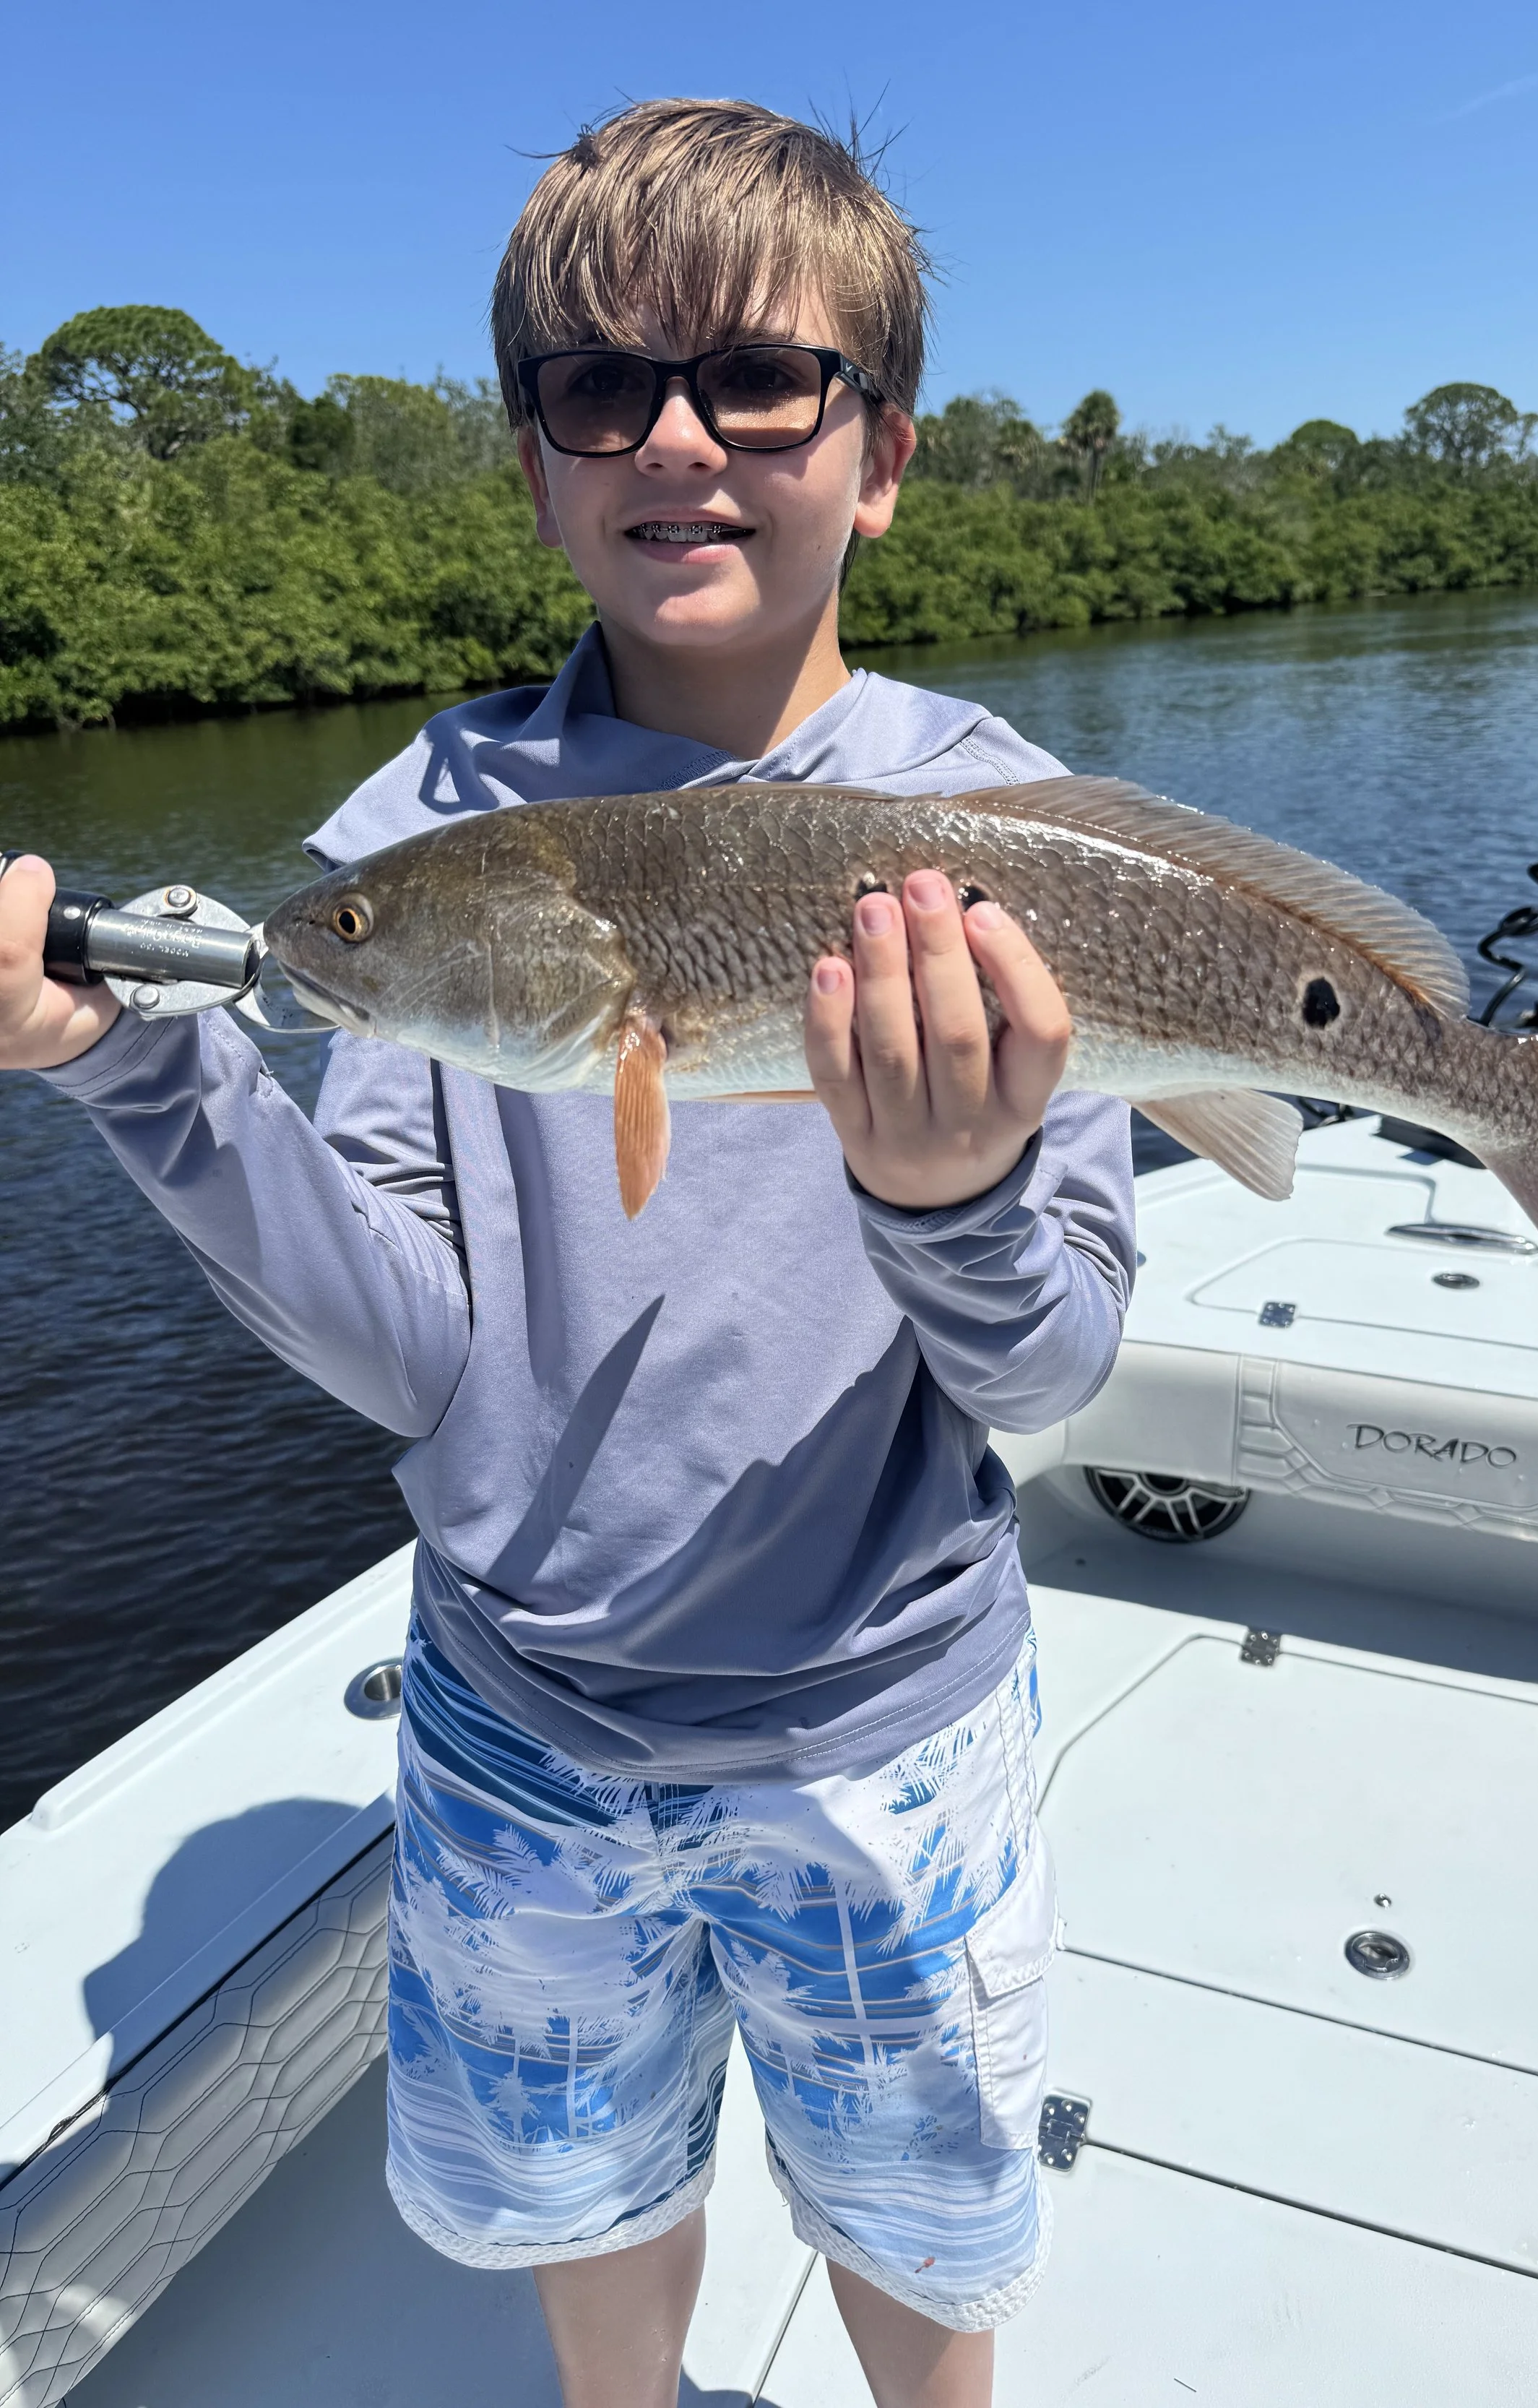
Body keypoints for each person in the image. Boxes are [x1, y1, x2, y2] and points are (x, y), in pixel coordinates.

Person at [0, 100, 1134, 2408]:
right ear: (535, 465)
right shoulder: (416, 845)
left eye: (762, 380)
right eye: (601, 387)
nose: (678, 440)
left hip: (884, 1728)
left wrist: (951, 1199)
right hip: (519, 1726)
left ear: (881, 454)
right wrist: (139, 1072)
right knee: (584, 2208)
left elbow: (1050, 1376)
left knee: (922, 2226)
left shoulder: (1010, 838)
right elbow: (415, 1345)